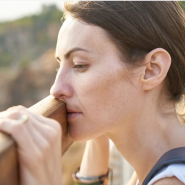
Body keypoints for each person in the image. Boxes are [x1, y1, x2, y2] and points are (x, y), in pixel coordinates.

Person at [0, 1, 185, 185]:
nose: (55, 89)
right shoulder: (159, 161)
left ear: (152, 69)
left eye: (79, 65)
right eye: (59, 66)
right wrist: (98, 139)